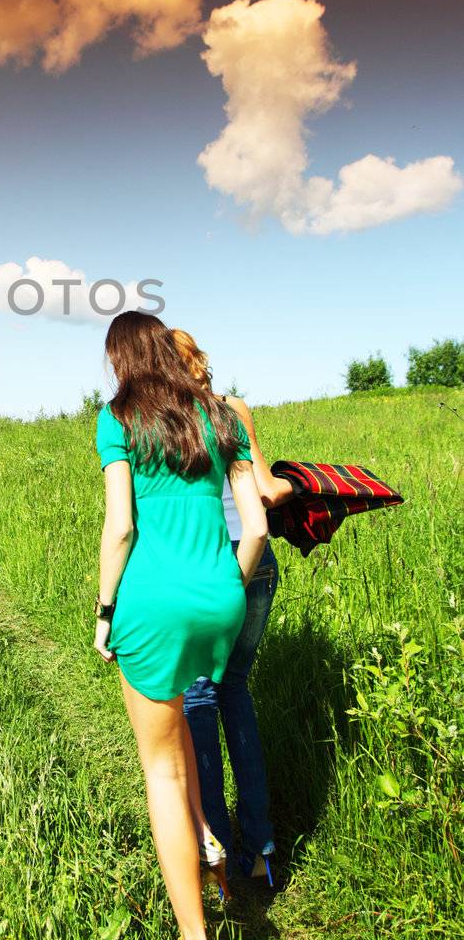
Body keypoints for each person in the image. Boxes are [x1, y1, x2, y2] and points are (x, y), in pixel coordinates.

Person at [94, 311, 267, 940]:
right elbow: (253, 524)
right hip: (221, 594)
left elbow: (121, 526)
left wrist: (106, 611)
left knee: (160, 770)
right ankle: (209, 832)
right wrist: (228, 584)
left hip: (152, 603)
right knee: (197, 722)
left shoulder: (119, 418)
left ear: (121, 360)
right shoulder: (219, 416)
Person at [171, 330, 294, 887]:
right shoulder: (233, 410)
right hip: (257, 563)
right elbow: (266, 494)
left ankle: (215, 852)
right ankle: (263, 850)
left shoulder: (165, 422)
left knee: (198, 697)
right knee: (236, 692)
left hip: (206, 571)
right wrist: (302, 481)